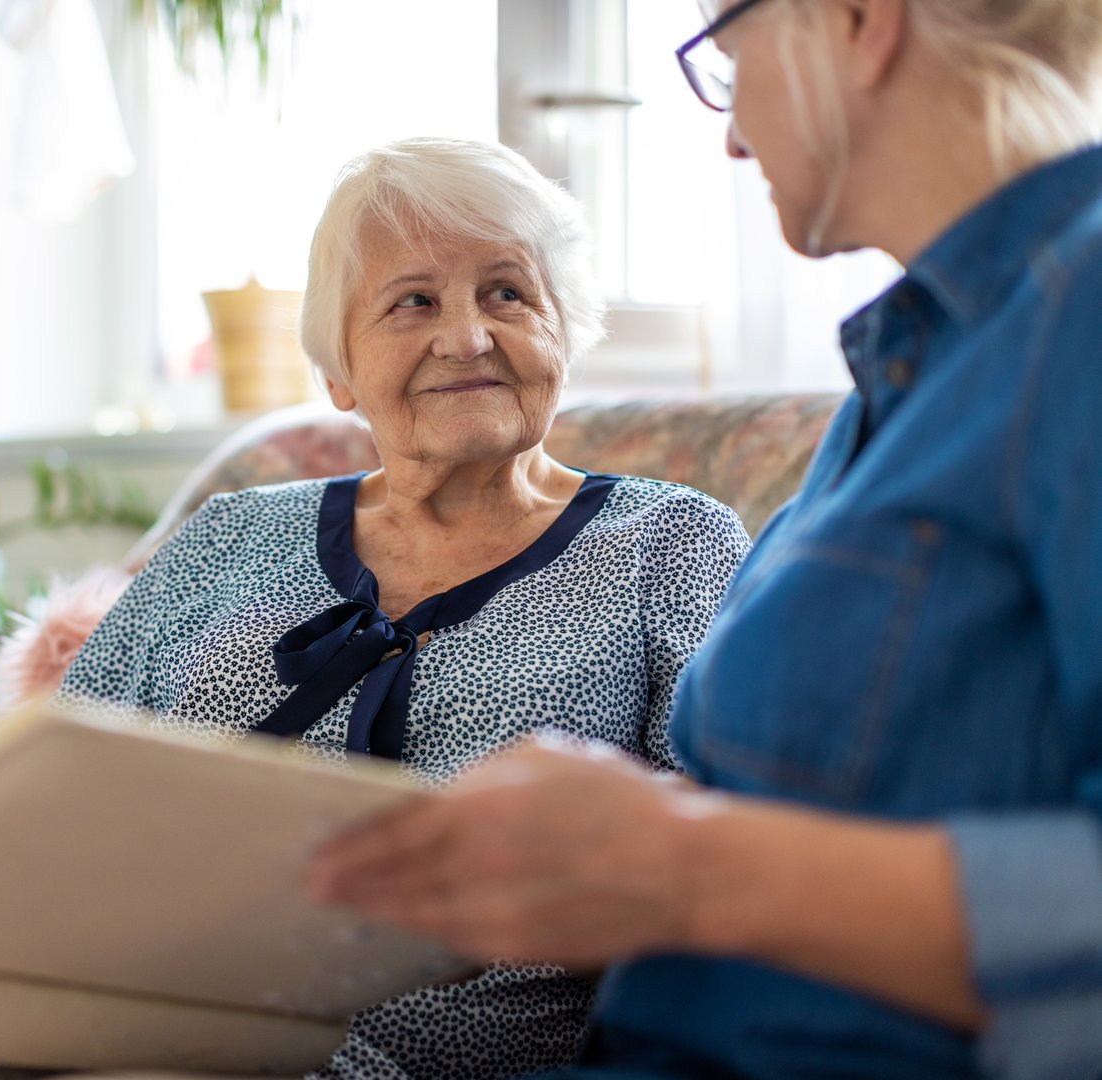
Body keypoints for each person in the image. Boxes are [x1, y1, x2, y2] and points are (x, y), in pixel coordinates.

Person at [0, 138, 752, 1080]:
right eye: (413, 302)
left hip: (403, 1050)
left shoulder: (669, 541)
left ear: (565, 329)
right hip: (110, 985)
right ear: (339, 371)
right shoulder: (234, 535)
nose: (466, 335)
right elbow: (46, 782)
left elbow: (712, 854)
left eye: (507, 292)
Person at [307, 3, 1102, 1079]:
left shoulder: (1078, 318)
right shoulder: (910, 372)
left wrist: (680, 864)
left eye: (728, 61)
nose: (732, 136)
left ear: (859, 22)